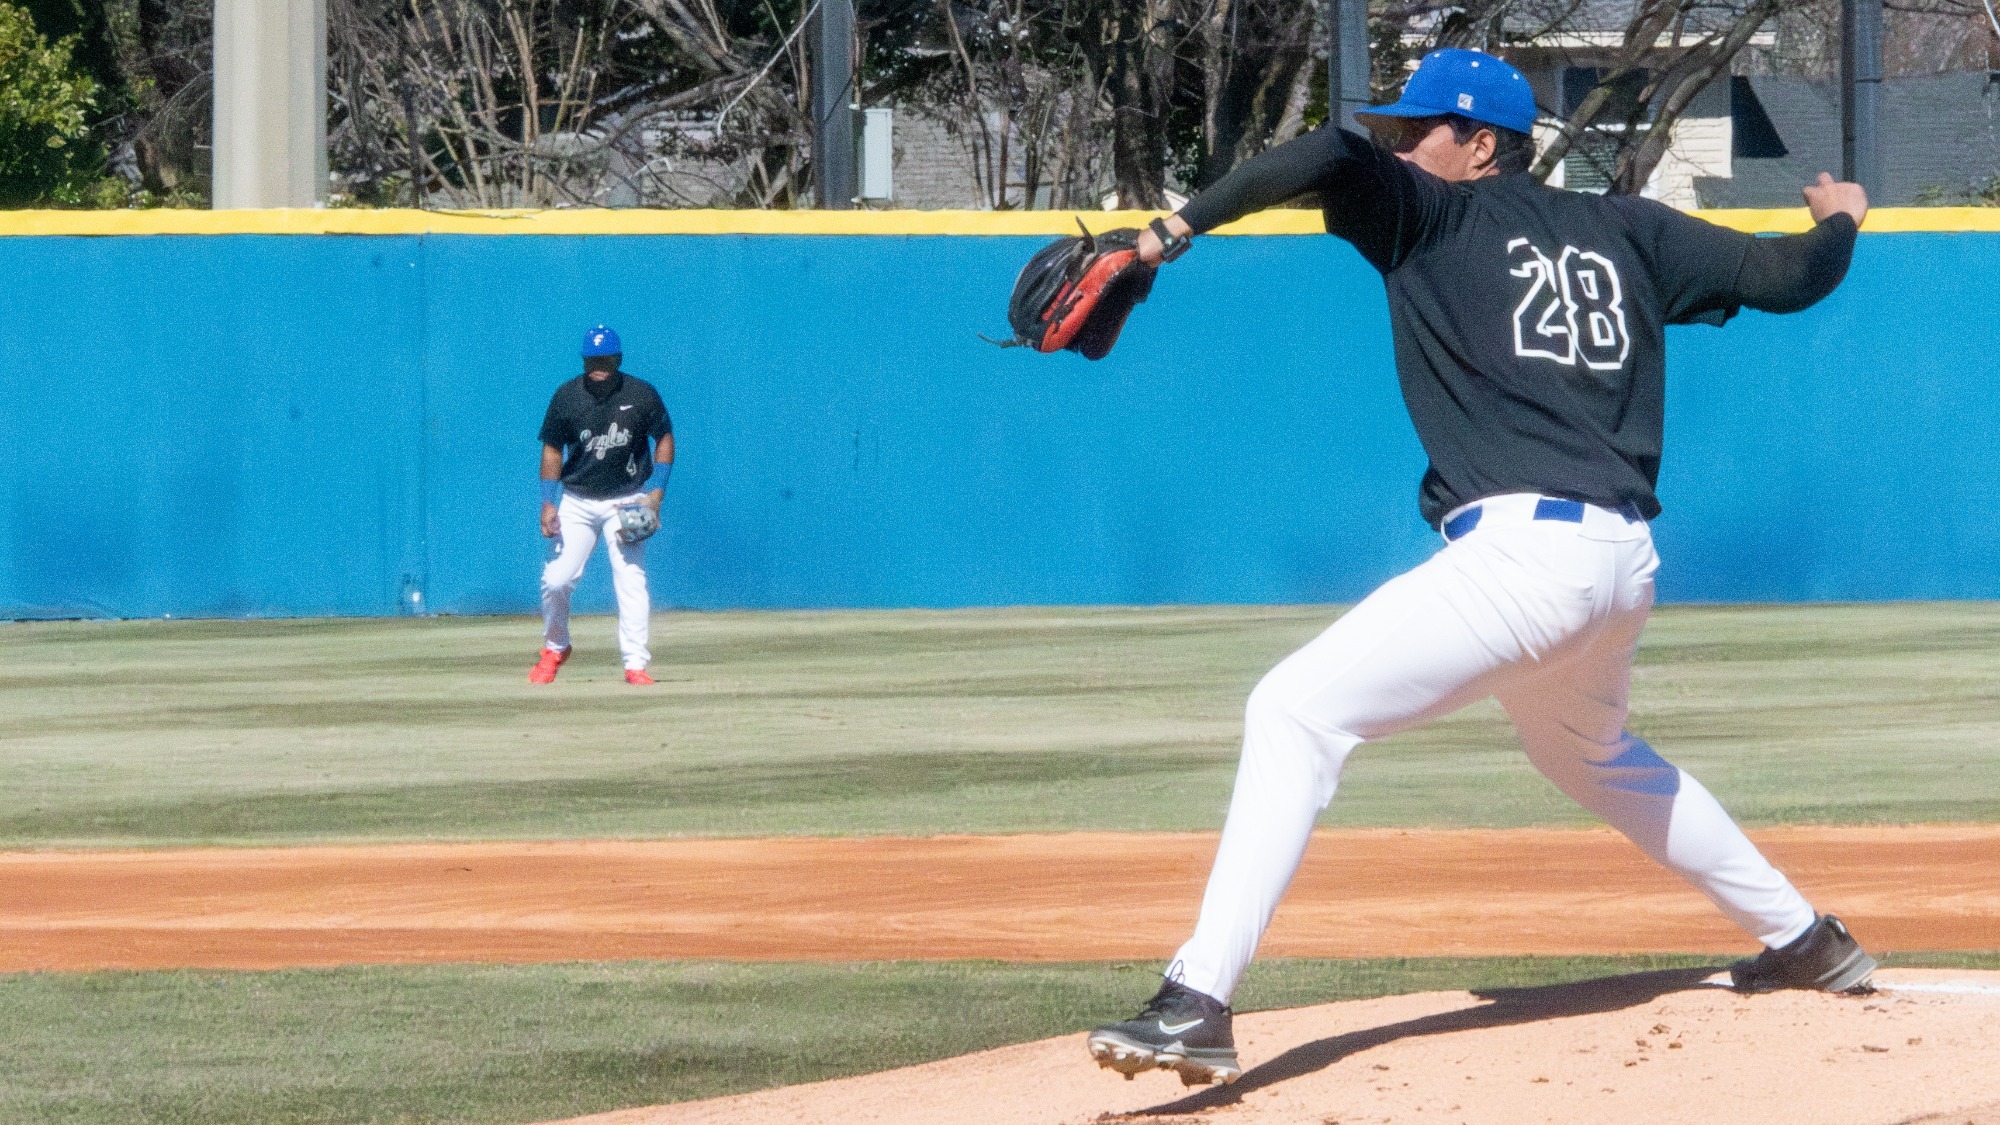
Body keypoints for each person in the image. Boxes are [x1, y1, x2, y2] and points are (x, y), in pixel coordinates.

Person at [1083, 48, 1877, 1088]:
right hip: (1620, 563)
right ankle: (1805, 939)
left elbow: (1325, 152)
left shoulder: (1431, 215)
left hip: (1524, 558)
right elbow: (1791, 277)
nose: (1400, 146)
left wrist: (1167, 231)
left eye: (1420, 129)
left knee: (1293, 712)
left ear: (1483, 143)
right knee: (1588, 755)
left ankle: (1196, 1002)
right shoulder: (1629, 228)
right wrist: (1841, 220)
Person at [530, 325, 674, 686]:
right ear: (583, 361)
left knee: (631, 578)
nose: (598, 366)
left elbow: (664, 438)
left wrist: (656, 493)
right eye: (592, 360)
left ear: (618, 359)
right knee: (556, 580)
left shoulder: (640, 394)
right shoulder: (566, 396)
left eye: (605, 360)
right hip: (577, 500)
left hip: (626, 499)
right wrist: (548, 502)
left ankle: (635, 664)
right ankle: (556, 646)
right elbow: (552, 450)